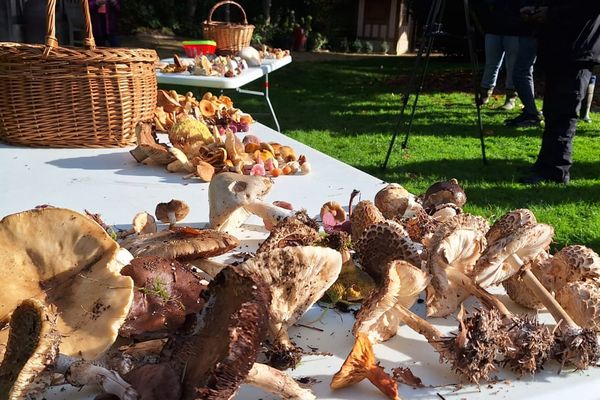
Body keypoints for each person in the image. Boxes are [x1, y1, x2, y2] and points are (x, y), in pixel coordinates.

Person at [519, 1, 600, 184]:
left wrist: (549, 13)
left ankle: (558, 169)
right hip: (562, 49)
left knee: (564, 113)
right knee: (552, 111)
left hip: (578, 51)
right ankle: (545, 164)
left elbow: (585, 8)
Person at [477, 0, 520, 110]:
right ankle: (484, 95)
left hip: (514, 28)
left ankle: (510, 98)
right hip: (494, 27)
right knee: (491, 64)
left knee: (511, 65)